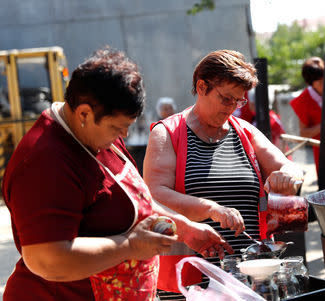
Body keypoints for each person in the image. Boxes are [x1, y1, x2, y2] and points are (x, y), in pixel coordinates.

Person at [1, 47, 232, 301]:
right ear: (84, 113)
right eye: (117, 127)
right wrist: (129, 246)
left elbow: (134, 202)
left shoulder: (96, 134)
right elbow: (47, 260)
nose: (122, 136)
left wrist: (185, 228)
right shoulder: (44, 161)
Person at [143, 49, 304, 299]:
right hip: (191, 279)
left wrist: (287, 176)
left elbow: (289, 167)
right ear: (201, 86)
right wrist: (210, 208)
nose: (232, 108)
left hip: (251, 274)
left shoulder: (244, 132)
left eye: (239, 101)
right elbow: (155, 194)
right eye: (226, 98)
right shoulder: (167, 133)